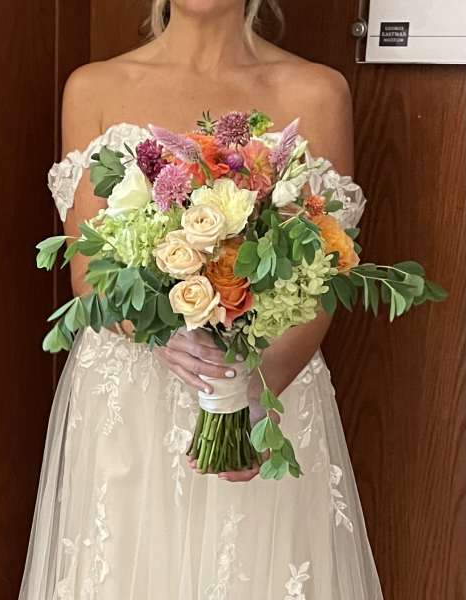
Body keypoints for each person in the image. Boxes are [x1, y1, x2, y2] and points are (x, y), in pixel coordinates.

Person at [19, 1, 383, 597]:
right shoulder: (94, 88)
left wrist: (255, 392)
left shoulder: (318, 93)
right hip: (130, 401)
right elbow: (88, 272)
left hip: (269, 380)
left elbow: (327, 272)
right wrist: (158, 331)